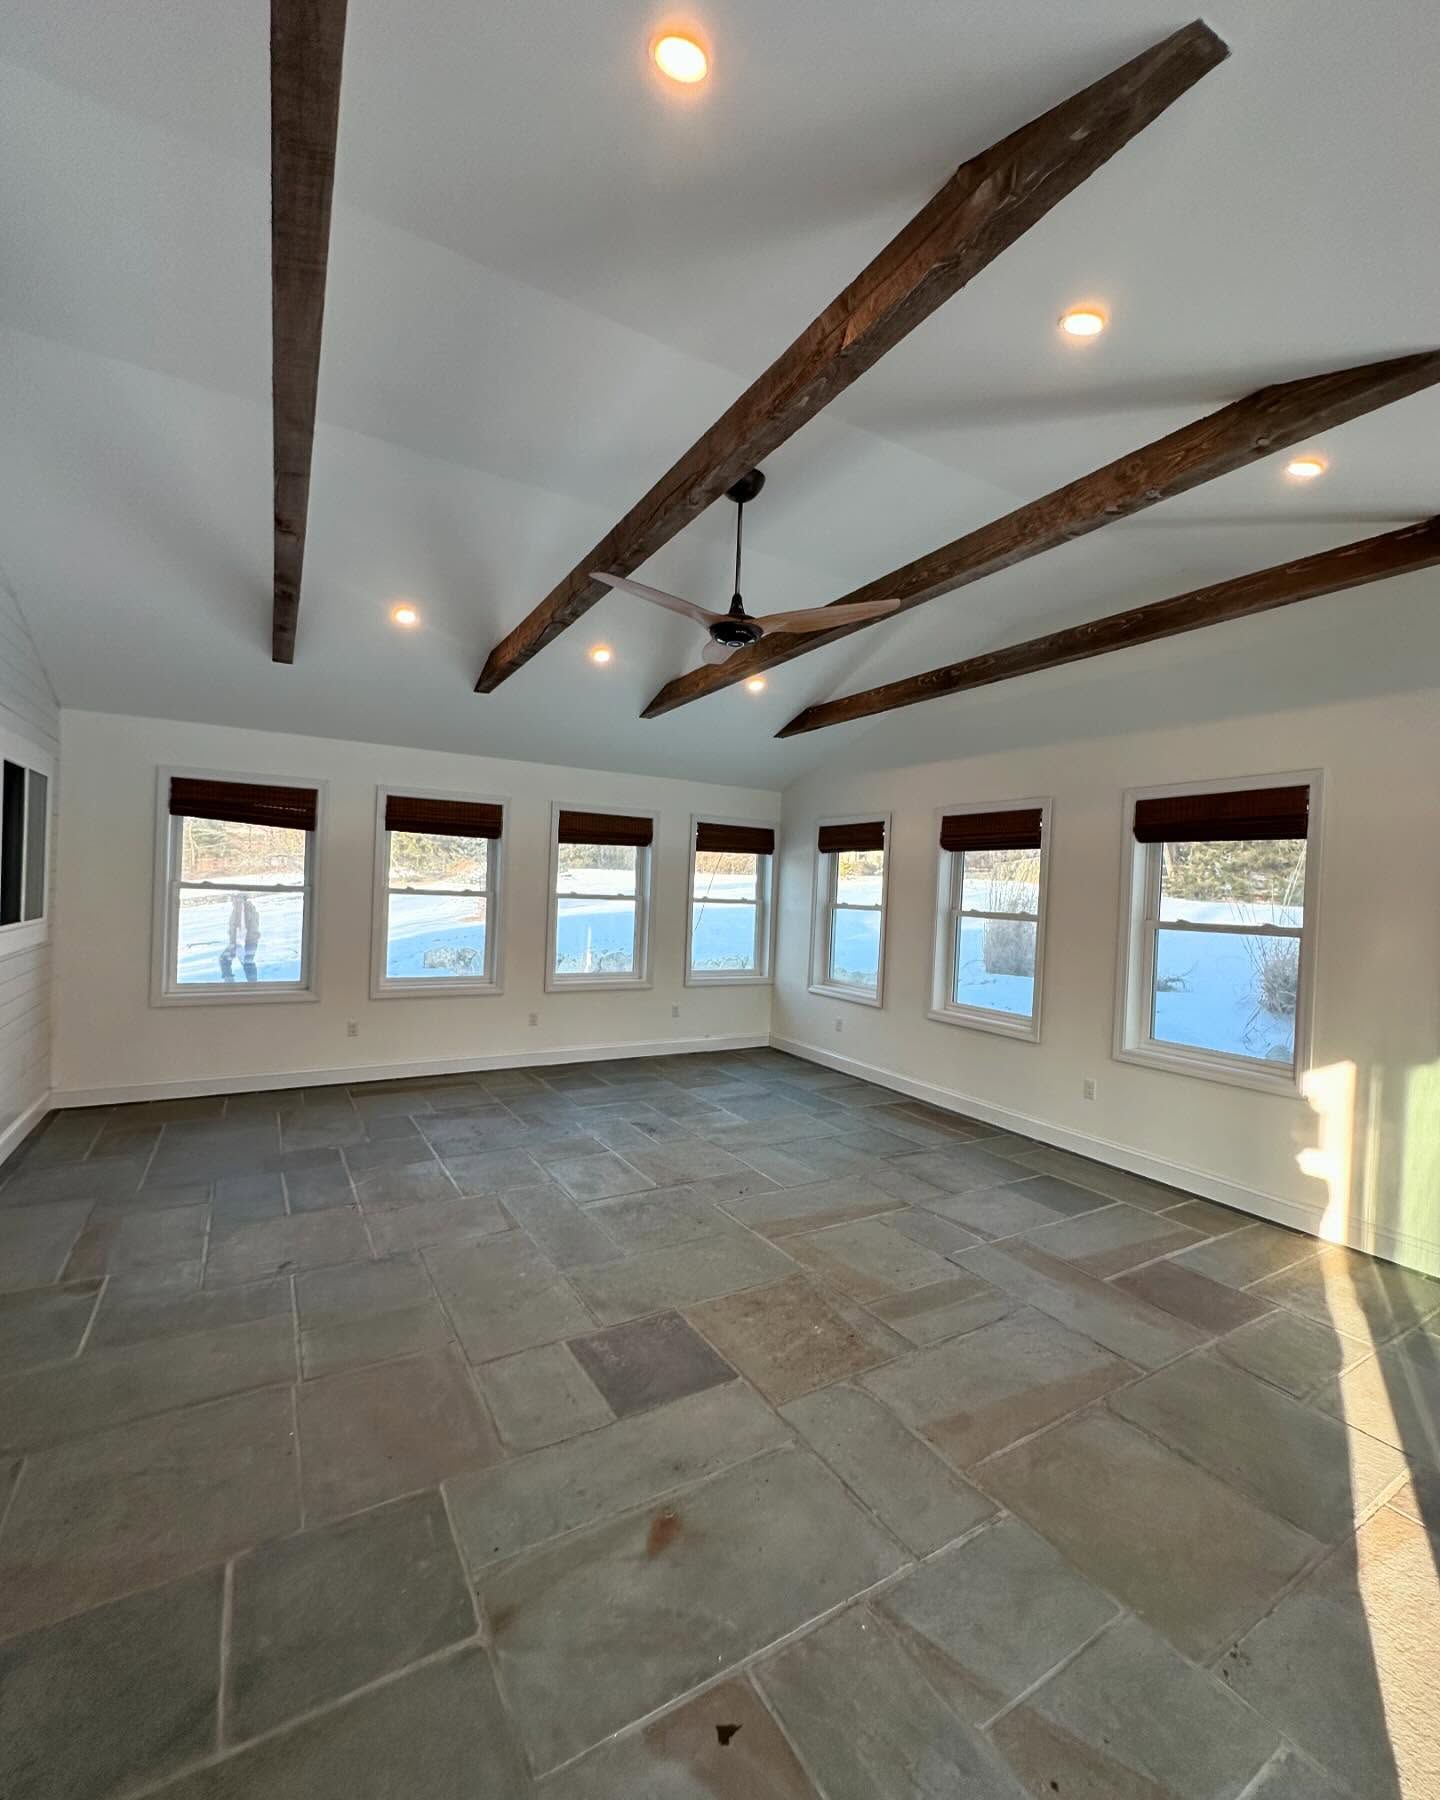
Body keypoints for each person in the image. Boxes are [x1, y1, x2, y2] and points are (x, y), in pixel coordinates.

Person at [219, 893, 260, 981]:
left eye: (233, 898)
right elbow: (234, 928)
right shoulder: (240, 909)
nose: (232, 900)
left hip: (245, 942)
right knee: (245, 962)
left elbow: (244, 927)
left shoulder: (244, 909)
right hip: (243, 942)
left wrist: (240, 944)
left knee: (246, 962)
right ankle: (232, 983)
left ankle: (251, 986)